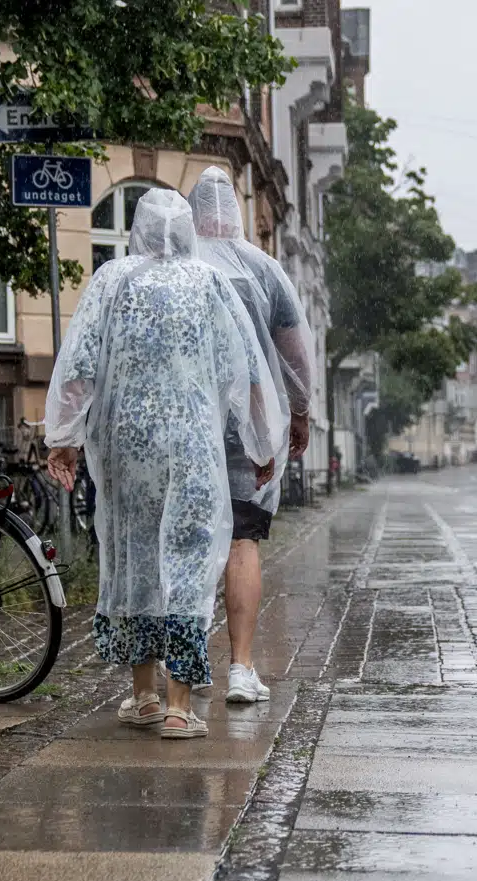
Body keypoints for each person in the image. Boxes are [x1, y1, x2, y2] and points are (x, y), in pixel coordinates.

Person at [45, 189, 283, 738]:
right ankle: (181, 706)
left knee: (137, 555)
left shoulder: (113, 280)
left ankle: (143, 696)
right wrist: (260, 443)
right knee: (191, 560)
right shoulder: (208, 282)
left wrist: (65, 437)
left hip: (127, 446)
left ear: (139, 228)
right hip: (193, 444)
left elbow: (78, 360)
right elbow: (243, 369)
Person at [187, 167, 314, 704]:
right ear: (237, 213)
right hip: (249, 429)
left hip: (187, 426)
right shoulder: (265, 271)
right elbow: (294, 354)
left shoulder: (178, 269)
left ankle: (185, 670)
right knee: (243, 540)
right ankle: (240, 669)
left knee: (187, 542)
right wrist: (300, 414)